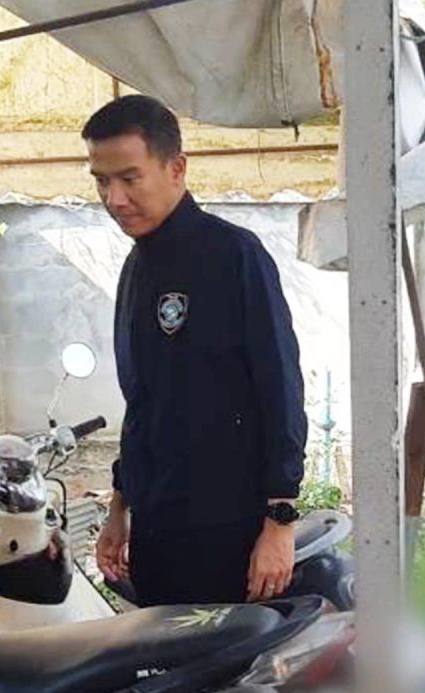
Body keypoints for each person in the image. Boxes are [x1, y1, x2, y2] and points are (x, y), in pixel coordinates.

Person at [86, 95, 308, 607]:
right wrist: (120, 507)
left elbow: (280, 387)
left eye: (130, 178)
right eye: (101, 181)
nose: (114, 198)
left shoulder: (234, 255)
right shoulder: (136, 269)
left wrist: (280, 520)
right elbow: (142, 403)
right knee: (161, 655)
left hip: (229, 532)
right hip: (157, 529)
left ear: (176, 168)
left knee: (228, 659)